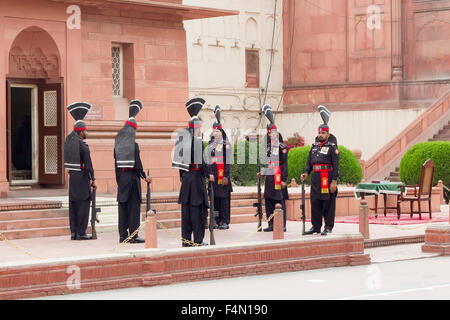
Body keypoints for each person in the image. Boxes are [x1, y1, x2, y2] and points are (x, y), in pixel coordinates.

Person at [172, 97, 209, 246]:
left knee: (186, 213)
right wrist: (209, 175)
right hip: (197, 181)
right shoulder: (197, 141)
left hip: (186, 180)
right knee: (197, 212)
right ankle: (198, 240)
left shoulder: (182, 141)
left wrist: (183, 177)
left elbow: (180, 166)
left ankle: (186, 241)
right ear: (197, 128)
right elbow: (203, 163)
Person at [114, 99, 152, 243]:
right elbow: (137, 164)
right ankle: (133, 235)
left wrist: (119, 180)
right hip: (132, 179)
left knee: (122, 208)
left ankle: (122, 235)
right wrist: (144, 177)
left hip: (122, 178)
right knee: (134, 208)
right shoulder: (134, 145)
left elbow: (115, 165)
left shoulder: (117, 144)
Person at [300, 105, 339, 236]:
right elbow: (309, 162)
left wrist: (334, 181)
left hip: (327, 178)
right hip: (316, 179)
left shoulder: (332, 147)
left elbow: (336, 164)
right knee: (315, 202)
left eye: (323, 133)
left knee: (327, 203)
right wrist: (306, 172)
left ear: (328, 134)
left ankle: (328, 226)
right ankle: (316, 227)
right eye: (319, 132)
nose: (320, 135)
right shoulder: (314, 147)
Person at [64, 102, 97, 240]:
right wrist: (93, 179)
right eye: (85, 130)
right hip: (82, 178)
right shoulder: (83, 146)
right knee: (83, 205)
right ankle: (81, 233)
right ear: (81, 132)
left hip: (72, 178)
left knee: (73, 205)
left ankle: (73, 233)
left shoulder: (69, 142)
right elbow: (89, 165)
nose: (86, 132)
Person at [257, 104, 289, 232]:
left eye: (274, 133)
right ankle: (271, 224)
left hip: (278, 176)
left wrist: (284, 179)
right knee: (269, 199)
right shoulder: (267, 147)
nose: (272, 135)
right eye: (270, 134)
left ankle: (282, 224)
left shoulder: (282, 147)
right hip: (270, 176)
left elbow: (285, 164)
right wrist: (262, 173)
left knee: (279, 200)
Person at [207, 105, 233, 230]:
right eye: (214, 131)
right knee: (214, 198)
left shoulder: (225, 145)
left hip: (222, 176)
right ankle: (216, 220)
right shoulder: (210, 145)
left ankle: (224, 220)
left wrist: (226, 176)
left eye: (217, 131)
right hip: (213, 175)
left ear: (221, 132)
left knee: (223, 199)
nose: (215, 133)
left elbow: (228, 161)